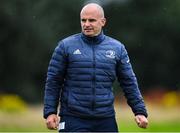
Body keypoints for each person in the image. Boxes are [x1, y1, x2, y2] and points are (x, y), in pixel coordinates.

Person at [43, 3, 148, 132]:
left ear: (103, 22)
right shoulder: (65, 46)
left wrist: (139, 111)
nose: (86, 24)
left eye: (91, 20)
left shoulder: (117, 48)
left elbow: (129, 82)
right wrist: (50, 112)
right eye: (83, 20)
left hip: (105, 118)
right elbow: (53, 81)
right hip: (73, 118)